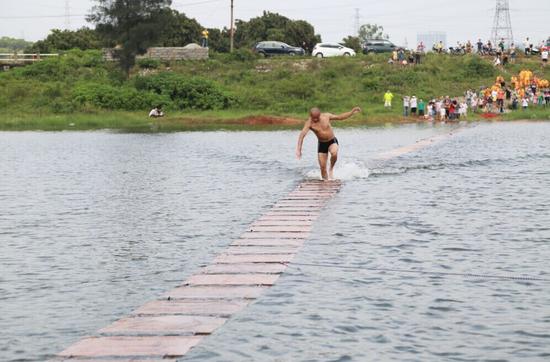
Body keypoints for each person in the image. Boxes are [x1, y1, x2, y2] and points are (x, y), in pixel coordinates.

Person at [296, 107, 362, 181]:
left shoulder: (326, 116)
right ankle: (326, 182)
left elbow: (340, 117)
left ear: (320, 115)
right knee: (323, 168)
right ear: (310, 116)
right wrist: (299, 149)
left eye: (317, 118)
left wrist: (351, 112)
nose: (315, 120)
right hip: (322, 144)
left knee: (334, 153)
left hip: (331, 141)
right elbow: (302, 136)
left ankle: (331, 169)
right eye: (313, 118)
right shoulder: (309, 123)